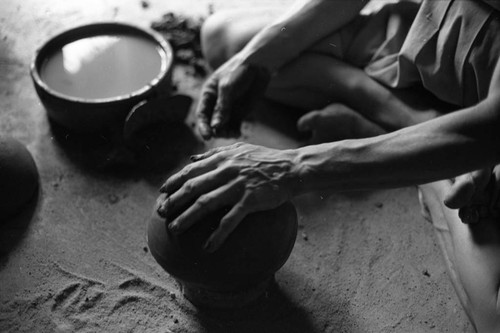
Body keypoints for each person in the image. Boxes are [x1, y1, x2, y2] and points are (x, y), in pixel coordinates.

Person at [157, 0, 500, 331]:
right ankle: (410, 122)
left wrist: (289, 169)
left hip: (492, 111)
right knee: (227, 40)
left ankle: (441, 173)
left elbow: (490, 131)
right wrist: (254, 58)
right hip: (440, 30)